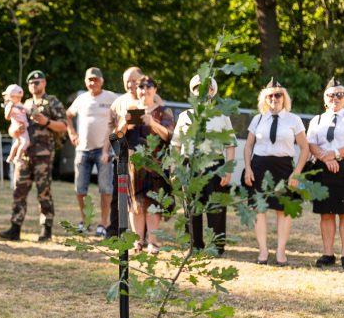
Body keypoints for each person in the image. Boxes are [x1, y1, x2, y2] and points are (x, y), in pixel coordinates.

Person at [242, 79, 309, 266]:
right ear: (264, 98)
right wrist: (247, 168)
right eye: (270, 95)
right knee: (259, 209)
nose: (274, 98)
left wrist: (296, 173)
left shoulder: (294, 120)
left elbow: (304, 148)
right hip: (259, 167)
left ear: (284, 97)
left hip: (284, 168)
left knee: (283, 210)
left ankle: (281, 251)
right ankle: (263, 251)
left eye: (278, 95)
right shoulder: (258, 119)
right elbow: (248, 146)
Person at [0, 70, 68, 242]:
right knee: (18, 190)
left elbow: (64, 126)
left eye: (37, 82)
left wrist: (47, 122)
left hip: (43, 154)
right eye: (31, 83)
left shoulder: (52, 102)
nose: (34, 85)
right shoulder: (23, 103)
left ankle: (46, 230)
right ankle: (15, 228)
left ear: (44, 83)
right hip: (25, 154)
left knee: (43, 191)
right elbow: (12, 127)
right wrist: (14, 130)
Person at [171, 75, 235, 254]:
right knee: (191, 207)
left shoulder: (222, 116)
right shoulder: (184, 116)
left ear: (212, 91)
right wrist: (175, 168)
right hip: (189, 164)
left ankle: (216, 247)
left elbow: (230, 145)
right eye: (198, 88)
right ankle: (194, 245)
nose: (202, 91)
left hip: (215, 164)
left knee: (216, 207)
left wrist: (227, 170)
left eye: (206, 87)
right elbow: (176, 145)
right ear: (193, 91)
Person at [306, 79, 344, 269]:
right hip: (323, 167)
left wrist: (336, 153)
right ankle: (328, 253)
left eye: (340, 94)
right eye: (331, 95)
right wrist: (327, 158)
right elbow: (311, 144)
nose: (335, 98)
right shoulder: (316, 120)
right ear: (325, 99)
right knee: (326, 213)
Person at [125, 76, 174, 253]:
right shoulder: (132, 110)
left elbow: (169, 135)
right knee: (135, 204)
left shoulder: (163, 111)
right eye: (140, 87)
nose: (144, 90)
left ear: (155, 90)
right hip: (134, 165)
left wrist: (152, 123)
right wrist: (126, 125)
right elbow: (116, 136)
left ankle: (152, 241)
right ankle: (137, 242)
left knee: (154, 203)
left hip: (156, 164)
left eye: (148, 87)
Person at [66, 67, 117, 237]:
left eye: (95, 79)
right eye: (89, 80)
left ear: (102, 81)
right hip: (83, 150)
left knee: (105, 188)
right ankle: (85, 220)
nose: (92, 83)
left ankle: (103, 223)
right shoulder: (81, 99)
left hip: (103, 150)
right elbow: (67, 115)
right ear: (85, 82)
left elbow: (122, 115)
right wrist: (72, 133)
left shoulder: (111, 97)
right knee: (80, 188)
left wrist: (113, 141)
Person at [2, 84, 30, 164]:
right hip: (18, 126)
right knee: (25, 142)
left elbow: (27, 111)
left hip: (23, 126)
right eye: (17, 97)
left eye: (20, 97)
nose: (19, 99)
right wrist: (10, 107)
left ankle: (11, 157)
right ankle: (18, 157)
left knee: (18, 143)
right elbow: (7, 117)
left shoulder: (20, 104)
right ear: (11, 96)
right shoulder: (10, 105)